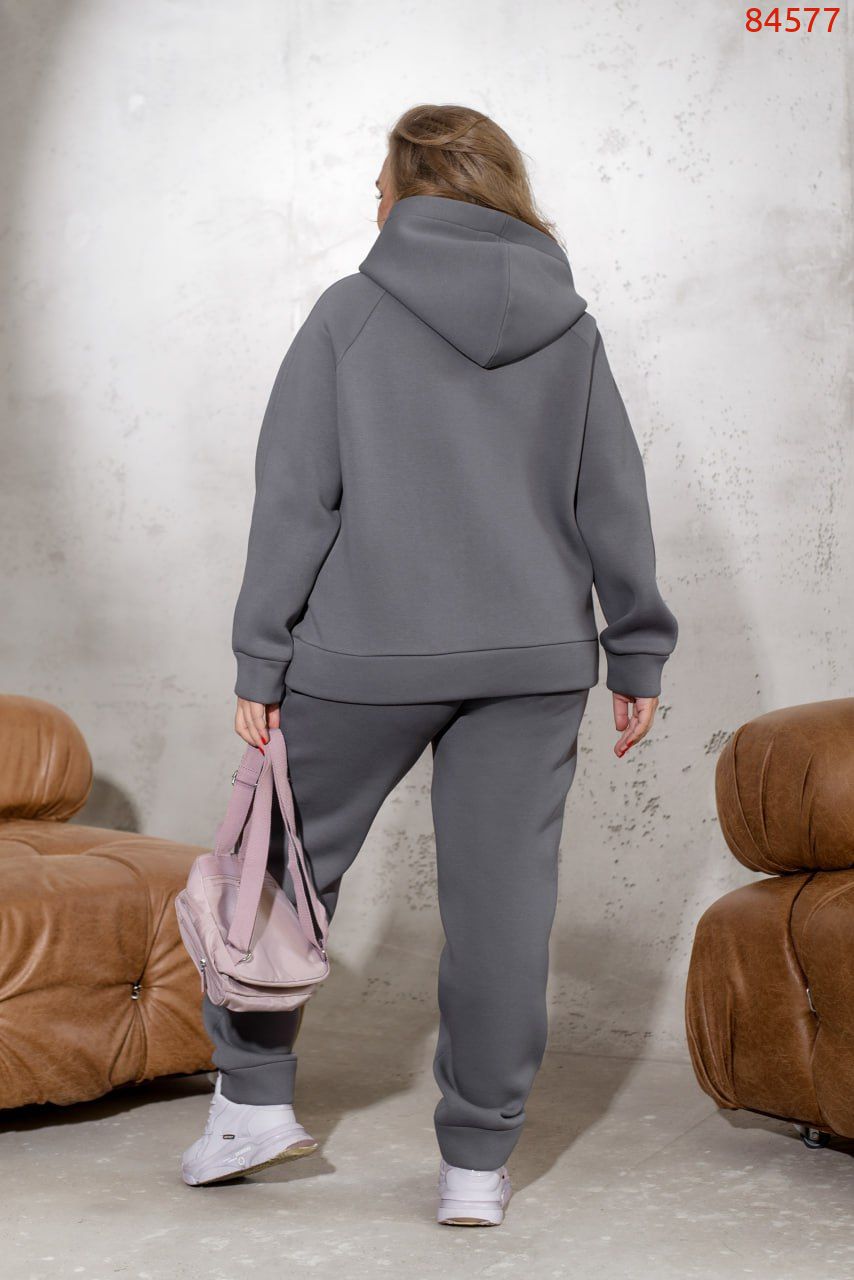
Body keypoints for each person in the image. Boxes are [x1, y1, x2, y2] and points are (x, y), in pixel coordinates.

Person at [181, 103, 678, 1225]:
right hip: (534, 661)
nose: (373, 208)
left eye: (378, 188)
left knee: (276, 867)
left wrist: (260, 657)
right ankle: (474, 1169)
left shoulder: (350, 312)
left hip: (363, 652)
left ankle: (251, 1103)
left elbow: (296, 496)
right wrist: (636, 649)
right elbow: (613, 496)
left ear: (404, 191)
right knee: (504, 911)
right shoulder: (570, 327)